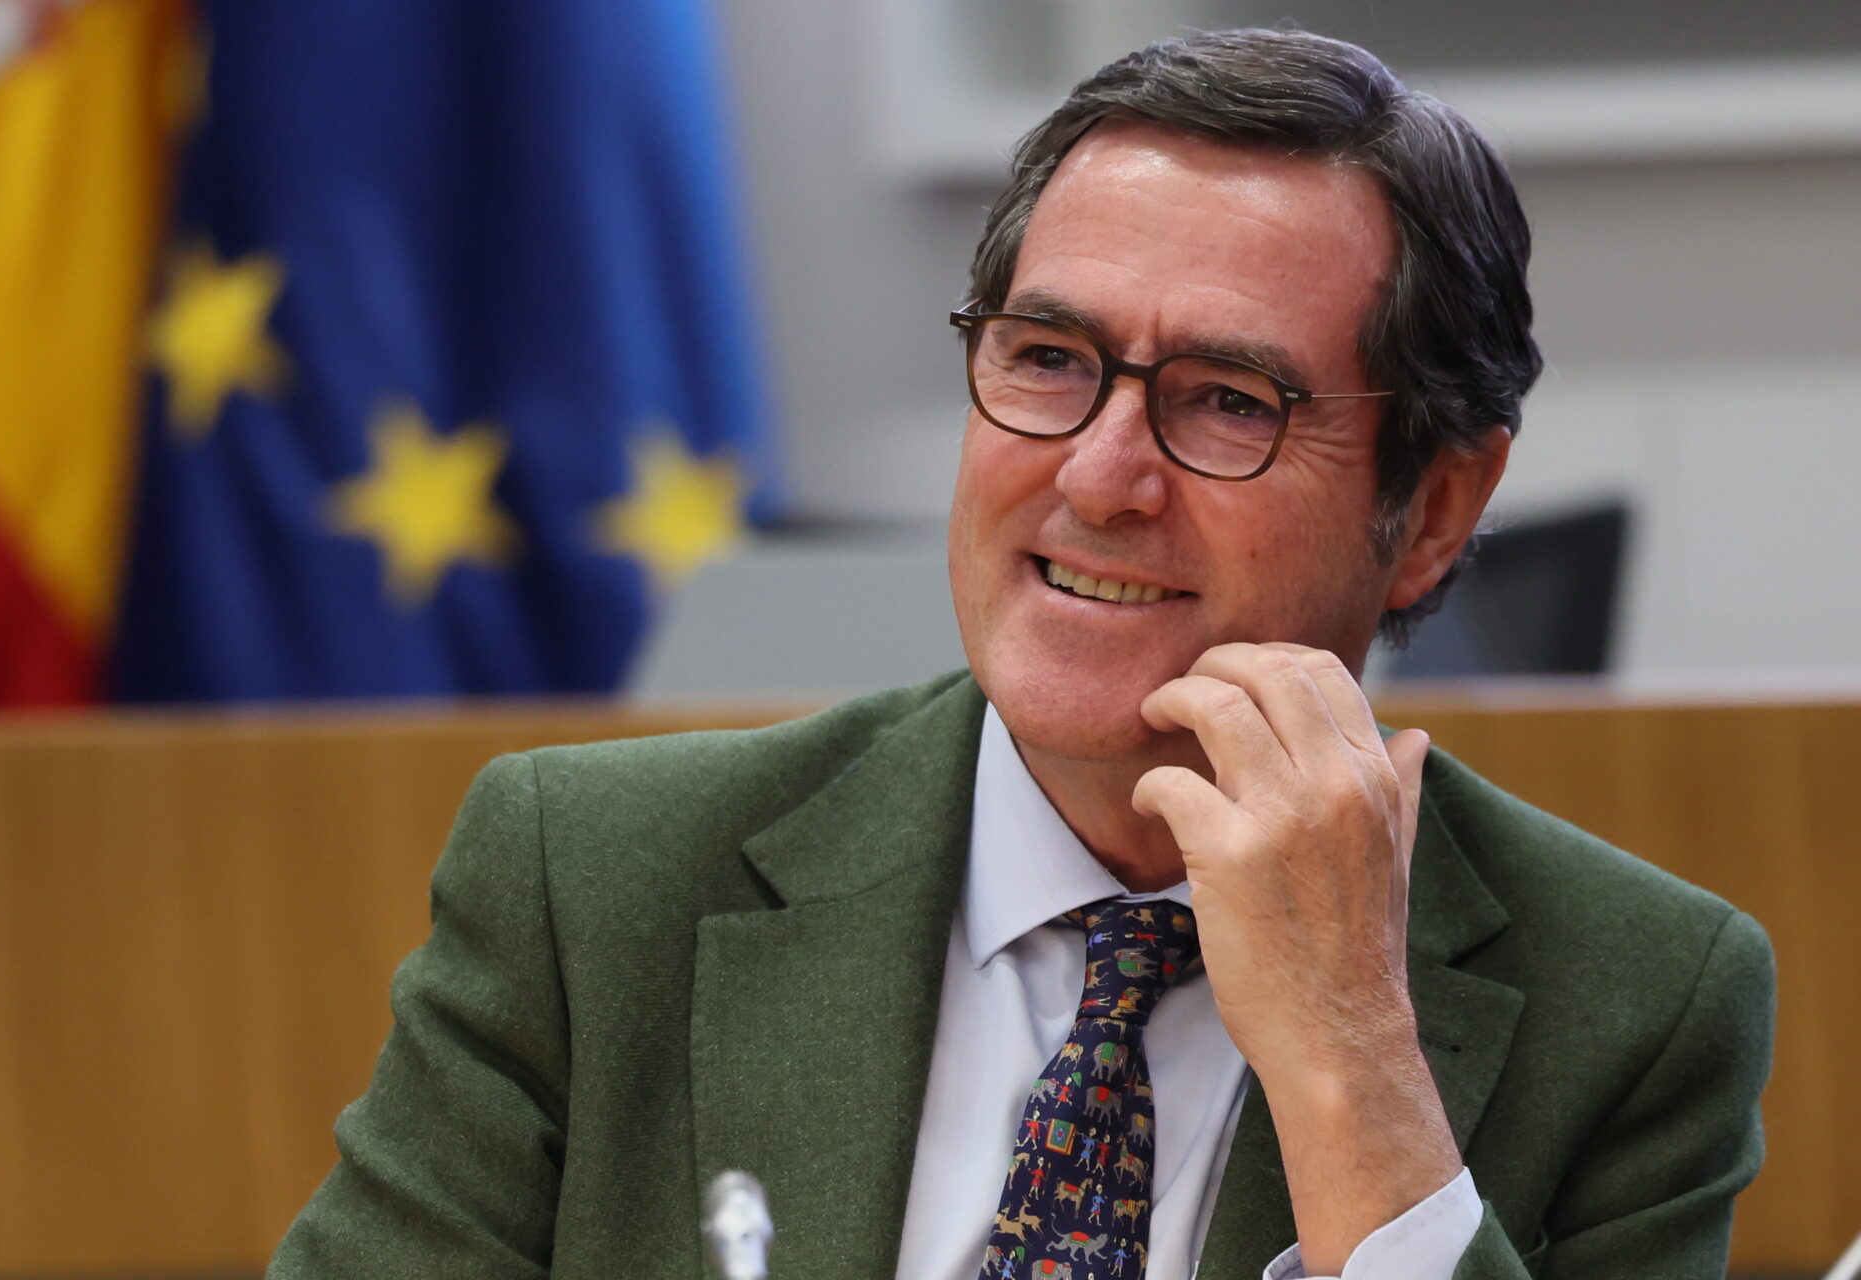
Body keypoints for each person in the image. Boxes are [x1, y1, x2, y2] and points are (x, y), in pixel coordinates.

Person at [266, 29, 1773, 1280]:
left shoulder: (1636, 1001)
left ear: (1435, 507)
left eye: (1228, 400)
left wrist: (1353, 1063)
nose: (1102, 478)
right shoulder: (594, 887)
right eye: (1048, 360)